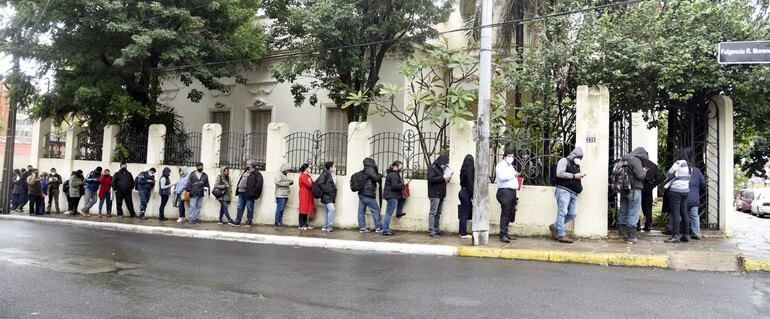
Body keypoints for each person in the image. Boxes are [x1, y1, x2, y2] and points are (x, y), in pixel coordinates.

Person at [548, 147, 585, 244]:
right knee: (562, 212)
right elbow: (559, 173)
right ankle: (561, 234)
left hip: (574, 192)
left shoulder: (576, 165)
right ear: (574, 155)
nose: (579, 159)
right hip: (563, 190)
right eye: (578, 157)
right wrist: (574, 176)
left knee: (573, 213)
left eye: (581, 158)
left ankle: (555, 226)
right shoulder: (564, 161)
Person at [617, 147, 648, 244]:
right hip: (634, 189)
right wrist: (644, 171)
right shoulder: (635, 160)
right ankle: (631, 236)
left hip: (623, 189)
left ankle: (622, 235)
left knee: (623, 211)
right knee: (633, 212)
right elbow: (640, 175)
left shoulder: (624, 159)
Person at [664, 150, 692, 243]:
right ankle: (686, 235)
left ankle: (675, 236)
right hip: (685, 191)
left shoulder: (678, 163)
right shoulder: (690, 166)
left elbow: (668, 173)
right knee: (684, 212)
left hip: (676, 191)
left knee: (675, 213)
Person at [495, 150, 520, 243]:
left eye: (512, 156)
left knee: (510, 213)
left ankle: (506, 233)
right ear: (504, 156)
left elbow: (514, 179)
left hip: (512, 191)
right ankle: (503, 235)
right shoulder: (500, 165)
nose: (511, 158)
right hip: (504, 191)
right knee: (505, 212)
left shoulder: (510, 166)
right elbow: (502, 177)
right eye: (509, 156)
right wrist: (513, 175)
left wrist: (517, 195)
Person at [232, 160, 264, 227]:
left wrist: (253, 192)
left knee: (249, 207)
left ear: (251, 165)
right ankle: (237, 221)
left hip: (249, 194)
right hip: (241, 192)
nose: (246, 165)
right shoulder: (245, 172)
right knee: (239, 207)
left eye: (247, 164)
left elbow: (259, 184)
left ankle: (248, 222)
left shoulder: (257, 173)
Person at [427, 155, 450, 237]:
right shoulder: (432, 167)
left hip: (441, 193)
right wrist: (442, 177)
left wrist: (447, 178)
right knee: (433, 212)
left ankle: (436, 229)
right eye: (444, 163)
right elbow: (431, 179)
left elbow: (442, 179)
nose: (445, 165)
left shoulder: (442, 168)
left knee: (438, 212)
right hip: (434, 193)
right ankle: (431, 230)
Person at [357, 158, 382, 233]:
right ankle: (378, 228)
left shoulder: (364, 170)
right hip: (368, 194)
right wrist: (380, 174)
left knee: (361, 212)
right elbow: (376, 178)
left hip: (361, 193)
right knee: (376, 210)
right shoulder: (370, 169)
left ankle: (362, 228)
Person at [382, 160, 407, 236]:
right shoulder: (393, 175)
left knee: (403, 199)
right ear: (395, 167)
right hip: (392, 196)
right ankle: (385, 230)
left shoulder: (394, 174)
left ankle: (399, 213)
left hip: (393, 195)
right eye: (400, 167)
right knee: (388, 213)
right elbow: (395, 186)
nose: (401, 169)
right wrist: (404, 184)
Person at [638, 157, 659, 232]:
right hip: (648, 189)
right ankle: (648, 225)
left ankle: (637, 225)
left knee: (637, 207)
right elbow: (657, 179)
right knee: (648, 208)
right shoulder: (653, 165)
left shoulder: (639, 164)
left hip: (639, 188)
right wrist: (652, 186)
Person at [317, 161, 337, 232]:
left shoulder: (332, 174)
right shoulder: (326, 173)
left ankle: (325, 226)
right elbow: (320, 183)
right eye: (334, 166)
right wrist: (327, 190)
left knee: (328, 211)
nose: (335, 168)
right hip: (327, 195)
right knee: (331, 210)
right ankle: (329, 227)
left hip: (330, 195)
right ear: (330, 167)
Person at [686, 166, 706, 240]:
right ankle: (696, 233)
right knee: (694, 215)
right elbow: (702, 182)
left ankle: (672, 229)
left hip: (684, 196)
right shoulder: (697, 170)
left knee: (678, 213)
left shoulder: (681, 169)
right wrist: (696, 188)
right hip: (695, 197)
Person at [458, 155, 474, 239]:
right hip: (466, 193)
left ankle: (461, 232)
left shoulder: (463, 169)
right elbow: (470, 183)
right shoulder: (470, 169)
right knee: (464, 214)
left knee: (463, 213)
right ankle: (463, 234)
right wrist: (472, 195)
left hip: (462, 192)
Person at [274, 162, 293, 227]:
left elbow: (283, 181)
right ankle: (277, 222)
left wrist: (289, 181)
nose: (287, 172)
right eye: (287, 170)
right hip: (280, 194)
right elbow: (278, 182)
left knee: (282, 209)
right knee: (280, 208)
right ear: (284, 169)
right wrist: (288, 183)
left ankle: (280, 221)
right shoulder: (278, 174)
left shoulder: (284, 174)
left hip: (285, 194)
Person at [297, 164, 315, 230]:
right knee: (303, 209)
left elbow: (313, 183)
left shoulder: (308, 176)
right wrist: (312, 184)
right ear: (306, 169)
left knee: (306, 209)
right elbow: (309, 185)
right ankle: (301, 225)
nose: (310, 169)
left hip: (308, 194)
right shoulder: (302, 176)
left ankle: (305, 225)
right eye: (309, 168)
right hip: (304, 194)